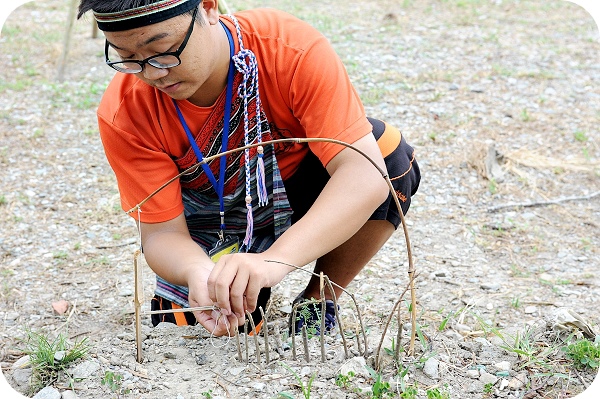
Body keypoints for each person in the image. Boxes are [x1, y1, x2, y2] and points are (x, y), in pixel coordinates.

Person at [77, 0, 420, 337]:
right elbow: (163, 234)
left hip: (296, 192)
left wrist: (275, 261)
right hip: (209, 217)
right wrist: (197, 271)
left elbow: (364, 174)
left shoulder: (287, 48)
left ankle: (319, 299)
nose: (153, 73)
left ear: (209, 8)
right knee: (205, 327)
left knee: (386, 152)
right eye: (128, 59)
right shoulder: (126, 111)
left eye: (164, 50)